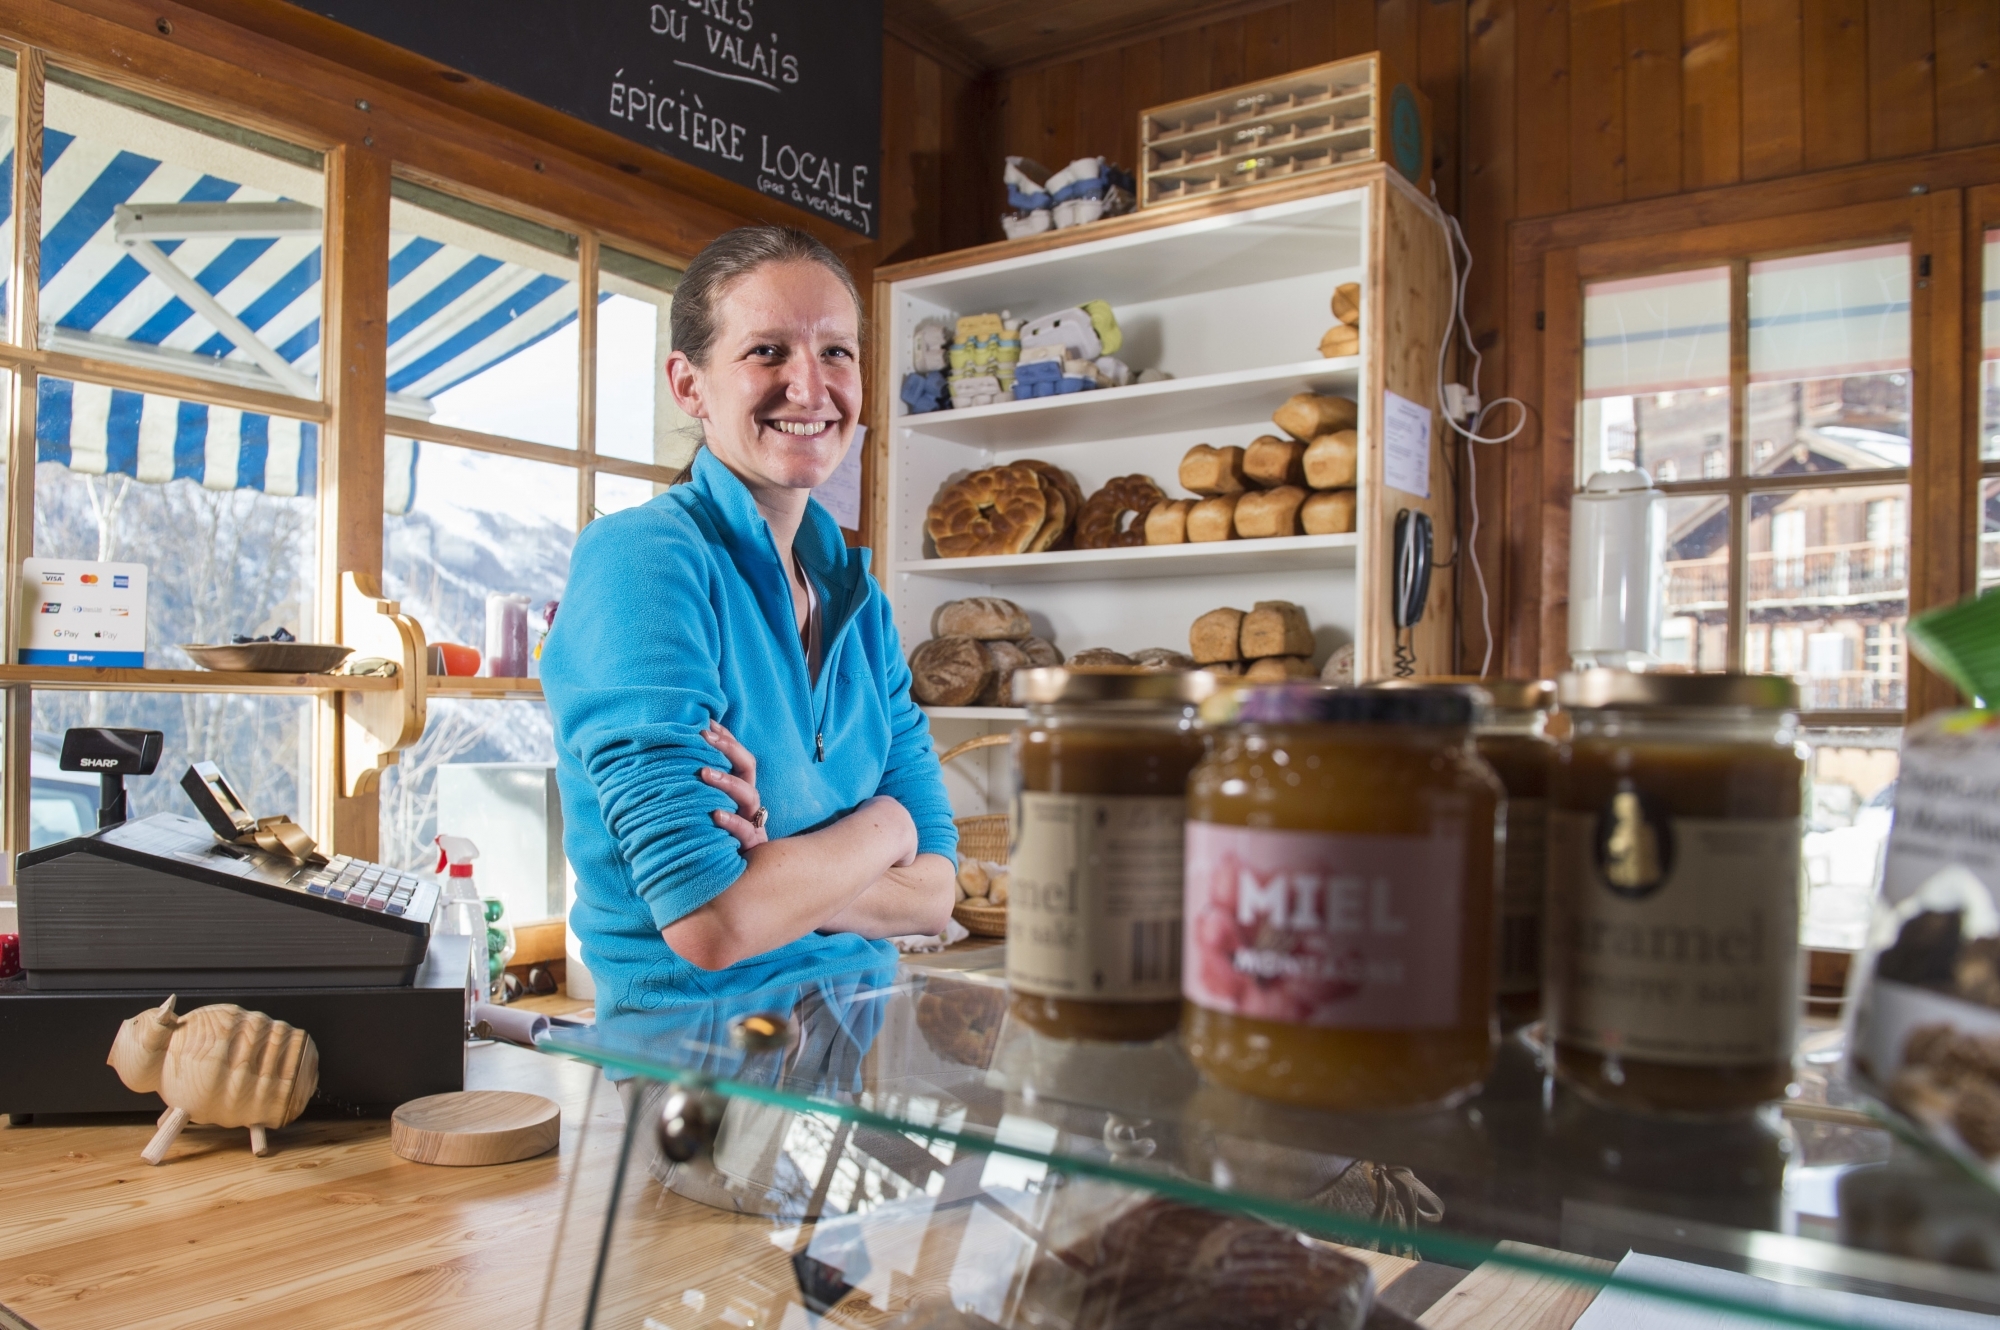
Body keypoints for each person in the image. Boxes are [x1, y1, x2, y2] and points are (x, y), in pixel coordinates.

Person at [541, 225, 957, 1014]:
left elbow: (938, 895)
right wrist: (885, 829)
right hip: (696, 1082)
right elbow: (714, 921)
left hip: (847, 1070)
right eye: (768, 351)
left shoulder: (858, 602)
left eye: (836, 352)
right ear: (689, 385)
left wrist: (789, 872)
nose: (809, 387)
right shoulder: (643, 561)